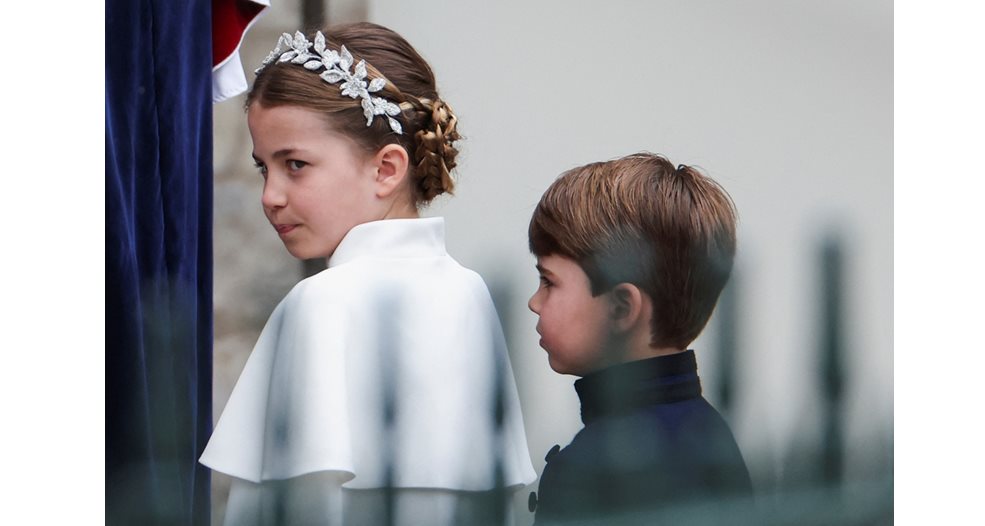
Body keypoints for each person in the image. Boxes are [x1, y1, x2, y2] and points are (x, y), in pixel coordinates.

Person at [199, 22, 535, 525]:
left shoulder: (319, 302)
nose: (270, 196)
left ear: (386, 168)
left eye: (295, 164)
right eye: (263, 168)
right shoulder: (471, 293)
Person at [526, 153, 753, 524]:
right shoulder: (712, 434)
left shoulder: (592, 468)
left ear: (621, 308)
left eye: (549, 282)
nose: (534, 302)